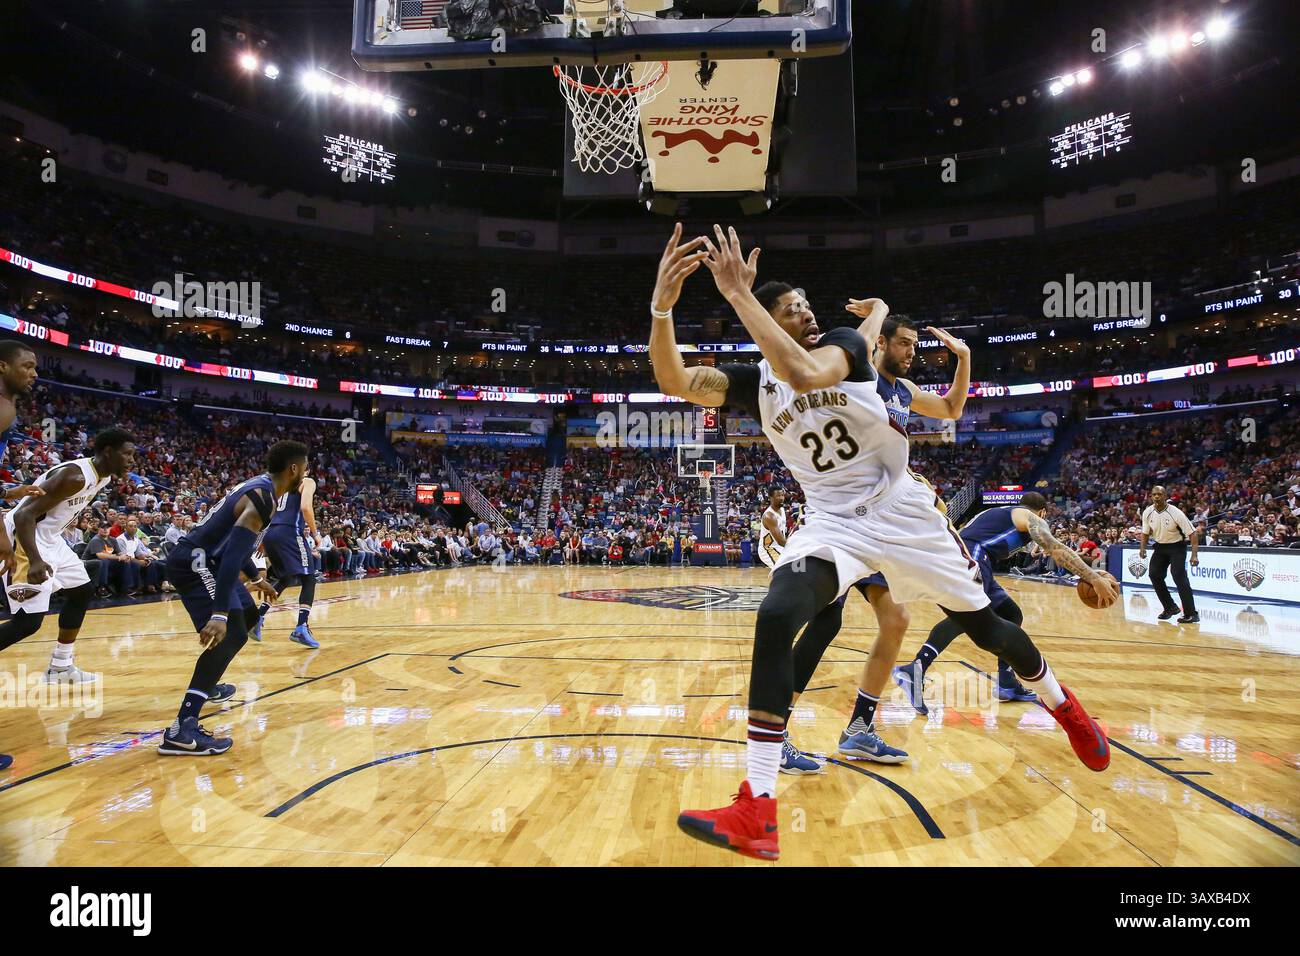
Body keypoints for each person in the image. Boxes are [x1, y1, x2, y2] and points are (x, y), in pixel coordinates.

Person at [649, 224, 1108, 860]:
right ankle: (756, 808)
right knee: (778, 612)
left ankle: (1063, 705)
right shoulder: (751, 381)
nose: (807, 312)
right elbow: (671, 377)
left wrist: (737, 296)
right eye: (792, 307)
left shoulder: (840, 345)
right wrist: (662, 305)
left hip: (903, 511)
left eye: (807, 304)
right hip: (833, 520)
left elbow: (807, 372)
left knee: (988, 626)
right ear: (770, 318)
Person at [893, 492, 1118, 713]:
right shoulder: (1030, 518)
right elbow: (1057, 550)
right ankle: (915, 669)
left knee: (1011, 614)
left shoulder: (999, 514)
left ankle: (1007, 683)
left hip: (969, 556)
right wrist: (1093, 577)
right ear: (1043, 512)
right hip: (972, 557)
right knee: (965, 618)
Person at [158, 441, 305, 756]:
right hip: (195, 562)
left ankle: (207, 682)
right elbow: (228, 559)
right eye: (304, 468)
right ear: (294, 468)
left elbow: (231, 549)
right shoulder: (263, 498)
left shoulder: (261, 488)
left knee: (249, 616)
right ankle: (182, 729)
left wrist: (256, 578)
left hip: (207, 560)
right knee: (232, 632)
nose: (305, 474)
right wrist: (220, 614)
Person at [0, 429, 137, 688]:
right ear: (108, 451)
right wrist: (36, 559)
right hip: (25, 536)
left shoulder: (103, 478)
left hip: (51, 537)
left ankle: (61, 667)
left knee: (82, 590)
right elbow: (23, 516)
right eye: (127, 454)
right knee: (27, 622)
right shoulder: (75, 476)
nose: (131, 460)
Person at [254, 473, 321, 648]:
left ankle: (257, 618)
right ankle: (301, 627)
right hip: (290, 532)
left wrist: (263, 538)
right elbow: (306, 507)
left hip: (271, 534)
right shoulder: (307, 481)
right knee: (309, 578)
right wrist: (315, 533)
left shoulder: (279, 484)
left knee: (286, 579)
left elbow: (267, 512)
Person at [1139, 485, 1200, 624]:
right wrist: (1142, 548)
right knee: (1154, 575)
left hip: (1177, 547)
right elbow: (1145, 532)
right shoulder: (1147, 512)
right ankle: (1170, 607)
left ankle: (1191, 613)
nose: (1156, 497)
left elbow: (1193, 533)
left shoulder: (1175, 512)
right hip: (1160, 547)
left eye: (1159, 494)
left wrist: (1194, 555)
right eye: (1154, 494)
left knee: (1178, 575)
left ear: (1165, 496)